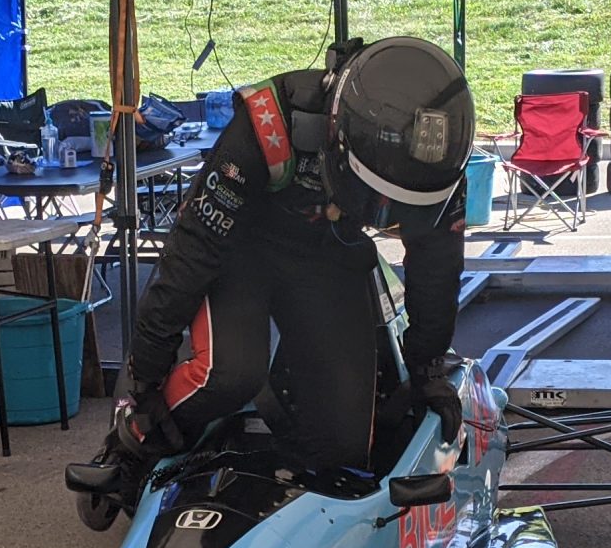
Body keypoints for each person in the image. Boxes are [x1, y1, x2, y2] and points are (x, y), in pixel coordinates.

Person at [93, 36, 476, 490]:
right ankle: (134, 440)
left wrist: (427, 366)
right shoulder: (269, 122)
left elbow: (437, 269)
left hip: (327, 255)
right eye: (376, 197)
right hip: (239, 251)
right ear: (338, 145)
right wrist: (144, 376)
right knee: (230, 374)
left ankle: (290, 442)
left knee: (345, 444)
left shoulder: (438, 165)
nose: (386, 211)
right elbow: (192, 250)